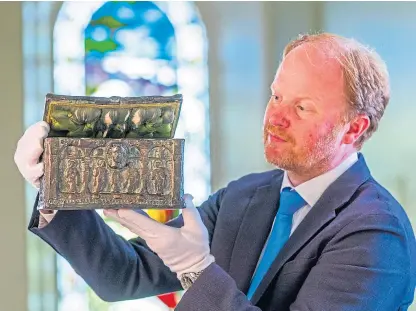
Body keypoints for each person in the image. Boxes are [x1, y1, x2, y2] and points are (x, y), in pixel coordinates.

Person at [15, 32, 416, 310]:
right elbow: (123, 275)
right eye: (277, 95)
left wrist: (196, 269)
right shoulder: (245, 197)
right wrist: (55, 182)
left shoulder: (377, 234)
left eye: (302, 107)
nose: (274, 117)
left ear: (355, 127)